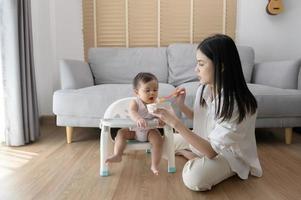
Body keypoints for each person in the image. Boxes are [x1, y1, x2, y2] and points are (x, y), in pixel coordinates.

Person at [152, 34, 263, 191]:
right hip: (205, 142)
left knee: (194, 178)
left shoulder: (237, 104)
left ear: (221, 66)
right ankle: (191, 155)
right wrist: (181, 105)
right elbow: (201, 117)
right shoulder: (205, 88)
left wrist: (174, 122)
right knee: (160, 144)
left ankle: (194, 158)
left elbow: (212, 151)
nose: (196, 69)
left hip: (228, 155)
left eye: (201, 64)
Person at [105, 72, 164, 175]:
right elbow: (132, 112)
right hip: (134, 130)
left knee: (158, 140)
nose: (152, 93)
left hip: (150, 131)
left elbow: (161, 114)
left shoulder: (157, 103)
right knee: (121, 133)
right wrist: (138, 119)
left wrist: (160, 119)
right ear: (137, 92)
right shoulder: (135, 102)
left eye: (155, 90)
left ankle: (154, 165)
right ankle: (118, 155)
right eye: (147, 90)